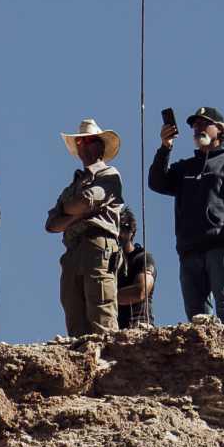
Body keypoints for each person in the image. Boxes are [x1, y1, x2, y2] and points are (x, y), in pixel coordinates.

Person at [148, 107, 224, 326]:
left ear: (219, 129)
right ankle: (204, 354)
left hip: (220, 243)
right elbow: (158, 182)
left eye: (203, 123)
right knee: (196, 310)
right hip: (189, 248)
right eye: (194, 125)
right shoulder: (186, 167)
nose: (197, 128)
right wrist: (165, 147)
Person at [46, 119, 125, 336]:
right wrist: (78, 216)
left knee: (101, 312)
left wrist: (70, 213)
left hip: (98, 245)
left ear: (100, 146)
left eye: (89, 140)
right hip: (73, 249)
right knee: (74, 315)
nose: (84, 145)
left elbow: (86, 200)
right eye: (80, 141)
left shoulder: (109, 174)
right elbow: (51, 224)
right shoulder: (72, 185)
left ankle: (110, 364)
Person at [116, 207, 156, 329]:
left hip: (139, 326)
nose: (118, 233)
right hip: (115, 328)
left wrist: (105, 297)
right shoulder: (109, 263)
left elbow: (140, 291)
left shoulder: (142, 258)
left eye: (122, 228)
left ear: (131, 231)